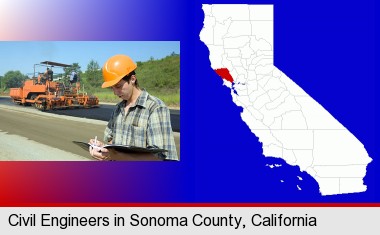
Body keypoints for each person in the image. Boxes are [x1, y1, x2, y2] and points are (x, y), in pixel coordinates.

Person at [88, 54, 178, 161]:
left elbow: (158, 157)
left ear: (132, 79)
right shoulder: (118, 109)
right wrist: (102, 148)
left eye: (118, 86)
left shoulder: (154, 108)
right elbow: (112, 142)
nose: (115, 92)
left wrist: (113, 156)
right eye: (112, 88)